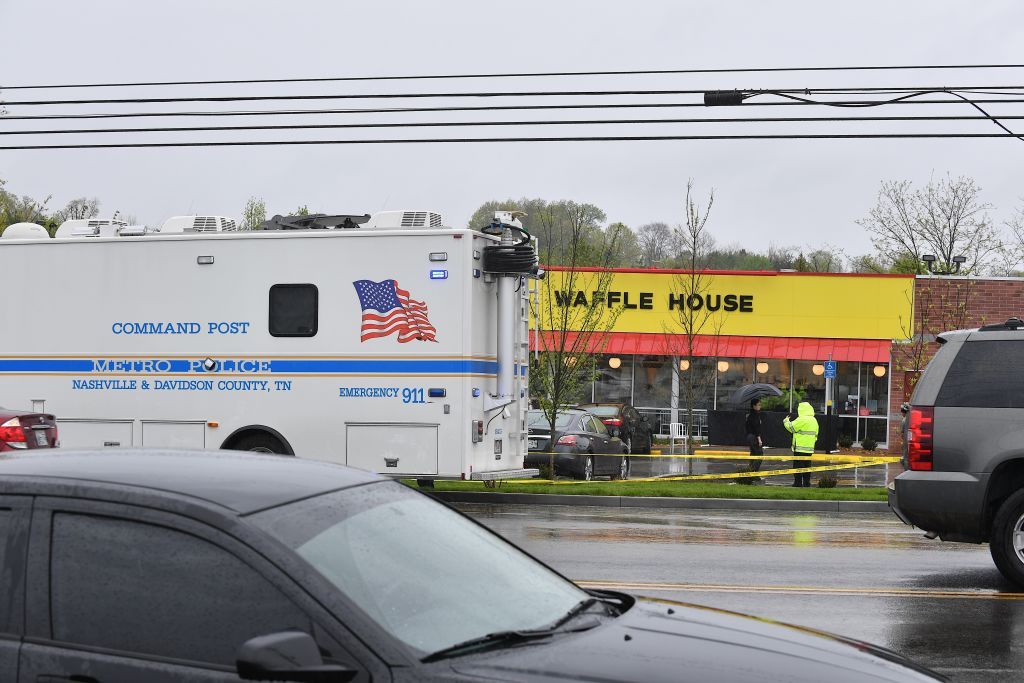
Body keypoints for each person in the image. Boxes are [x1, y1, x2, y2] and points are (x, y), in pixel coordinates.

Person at [783, 401, 819, 487]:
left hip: (799, 448)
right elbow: (816, 434)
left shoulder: (802, 419)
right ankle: (807, 483)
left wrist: (786, 421)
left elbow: (791, 427)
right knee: (807, 466)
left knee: (798, 466)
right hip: (809, 448)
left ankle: (798, 483)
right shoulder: (814, 420)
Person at [744, 399, 764, 476]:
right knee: (760, 455)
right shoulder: (754, 415)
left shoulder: (750, 415)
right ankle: (753, 473)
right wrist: (759, 439)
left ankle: (750, 471)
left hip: (749, 436)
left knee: (753, 454)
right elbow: (756, 428)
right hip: (753, 437)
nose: (760, 406)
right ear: (754, 406)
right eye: (758, 405)